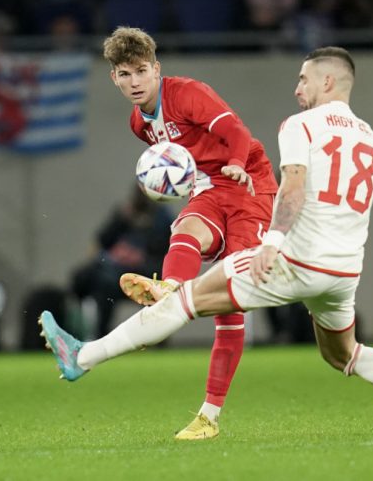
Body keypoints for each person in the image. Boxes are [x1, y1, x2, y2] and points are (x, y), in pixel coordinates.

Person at [39, 46, 373, 440]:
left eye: (302, 78)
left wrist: (273, 241)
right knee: (343, 355)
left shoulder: (298, 126)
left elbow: (292, 186)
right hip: (342, 275)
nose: (295, 86)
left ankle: (81, 357)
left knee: (182, 300)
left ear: (326, 81)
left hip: (293, 260)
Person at [102, 27, 279, 440]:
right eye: (125, 74)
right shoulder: (138, 124)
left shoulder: (187, 93)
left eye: (141, 71)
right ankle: (171, 289)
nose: (134, 82)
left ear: (156, 69)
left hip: (250, 182)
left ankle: (210, 415)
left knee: (232, 302)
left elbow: (235, 131)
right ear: (114, 77)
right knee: (184, 230)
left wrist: (236, 163)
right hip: (209, 189)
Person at [71, 186, 173, 338]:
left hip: (146, 272)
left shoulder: (162, 217)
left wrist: (139, 256)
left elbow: (169, 251)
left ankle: (155, 336)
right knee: (87, 279)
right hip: (114, 271)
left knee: (150, 287)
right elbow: (100, 242)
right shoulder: (124, 213)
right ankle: (95, 334)